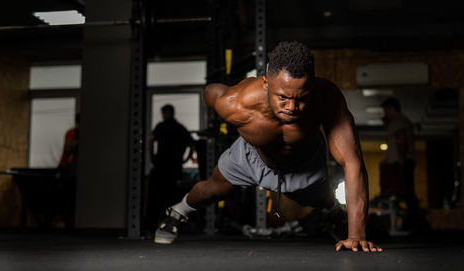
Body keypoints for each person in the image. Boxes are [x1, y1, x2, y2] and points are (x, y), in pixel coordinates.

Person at [155, 41, 382, 252]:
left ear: (312, 85)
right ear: (265, 82)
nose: (292, 107)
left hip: (304, 161)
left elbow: (353, 162)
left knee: (321, 200)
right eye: (282, 97)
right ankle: (176, 212)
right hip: (251, 154)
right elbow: (210, 92)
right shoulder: (235, 104)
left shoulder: (327, 98)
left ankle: (334, 211)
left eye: (302, 98)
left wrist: (357, 234)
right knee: (212, 190)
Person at [146, 104, 195, 232]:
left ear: (165, 113)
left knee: (156, 198)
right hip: (175, 167)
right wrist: (186, 158)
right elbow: (192, 145)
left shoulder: (161, 127)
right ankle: (173, 226)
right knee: (173, 198)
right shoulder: (181, 128)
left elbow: (150, 140)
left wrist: (152, 157)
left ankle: (151, 227)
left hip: (161, 166)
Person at [380, 97, 419, 228]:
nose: (384, 112)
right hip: (402, 161)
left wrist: (401, 160)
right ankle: (412, 222)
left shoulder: (398, 121)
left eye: (385, 109)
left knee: (406, 192)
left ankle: (414, 222)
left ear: (392, 108)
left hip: (401, 162)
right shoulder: (402, 121)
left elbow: (401, 141)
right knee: (407, 192)